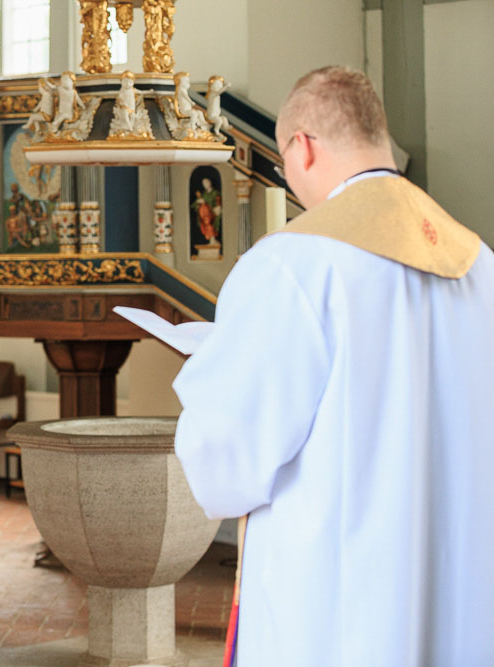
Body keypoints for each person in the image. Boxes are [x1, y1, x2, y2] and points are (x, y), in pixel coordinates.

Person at [172, 66, 494, 666]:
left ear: (303, 146)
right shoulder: (478, 263)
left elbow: (224, 465)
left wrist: (216, 365)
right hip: (462, 592)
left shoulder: (294, 264)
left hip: (339, 610)